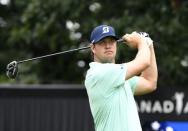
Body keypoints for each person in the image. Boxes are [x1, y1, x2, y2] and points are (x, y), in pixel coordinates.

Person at [84, 25, 158, 131]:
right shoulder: (97, 73)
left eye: (112, 41)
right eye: (102, 42)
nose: (108, 46)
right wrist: (141, 42)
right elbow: (144, 62)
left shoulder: (119, 76)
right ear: (93, 48)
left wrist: (148, 44)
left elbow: (150, 82)